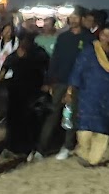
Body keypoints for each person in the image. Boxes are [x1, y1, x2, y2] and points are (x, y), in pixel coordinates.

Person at [39, 9, 91, 161]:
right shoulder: (63, 37)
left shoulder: (88, 38)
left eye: (77, 16)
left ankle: (67, 146)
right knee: (52, 114)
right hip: (61, 81)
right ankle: (41, 148)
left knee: (71, 116)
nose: (74, 19)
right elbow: (55, 59)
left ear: (82, 18)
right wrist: (49, 81)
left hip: (78, 83)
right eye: (72, 16)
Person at [68, 21, 109, 167]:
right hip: (88, 93)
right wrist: (71, 88)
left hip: (108, 96)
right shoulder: (89, 51)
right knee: (85, 128)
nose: (106, 38)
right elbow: (78, 70)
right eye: (104, 34)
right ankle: (83, 152)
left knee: (103, 129)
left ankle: (93, 159)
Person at [1, 32, 48, 161]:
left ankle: (30, 148)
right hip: (16, 92)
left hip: (33, 91)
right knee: (14, 121)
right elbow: (5, 68)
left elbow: (46, 69)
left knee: (31, 121)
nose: (23, 43)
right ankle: (13, 147)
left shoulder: (39, 53)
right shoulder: (15, 54)